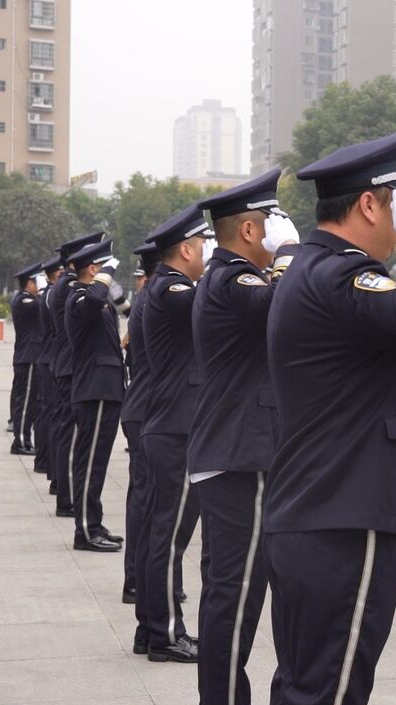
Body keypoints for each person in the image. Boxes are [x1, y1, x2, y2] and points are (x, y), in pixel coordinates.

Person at [265, 130, 396, 705]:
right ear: (370, 204)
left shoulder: (310, 269)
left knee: (305, 690)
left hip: (318, 513)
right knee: (330, 695)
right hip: (344, 520)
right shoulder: (339, 275)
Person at [188, 169, 300, 705]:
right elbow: (288, 302)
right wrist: (292, 252)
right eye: (271, 223)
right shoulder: (235, 280)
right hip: (242, 459)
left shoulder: (223, 277)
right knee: (234, 602)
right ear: (252, 231)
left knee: (227, 595)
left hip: (233, 453)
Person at [138, 204, 212, 664]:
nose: (206, 253)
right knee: (170, 539)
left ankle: (150, 629)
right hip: (178, 429)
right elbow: (215, 306)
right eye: (203, 245)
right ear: (185, 250)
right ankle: (165, 634)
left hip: (169, 424)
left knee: (160, 533)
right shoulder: (173, 288)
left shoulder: (162, 287)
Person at [63, 237, 127, 553]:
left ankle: (94, 523)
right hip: (95, 389)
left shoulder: (96, 299)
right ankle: (86, 531)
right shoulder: (79, 297)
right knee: (89, 463)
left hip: (106, 387)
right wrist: (106, 274)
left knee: (97, 462)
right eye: (103, 267)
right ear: (93, 269)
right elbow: (93, 301)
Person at [49, 234, 101, 518]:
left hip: (70, 364)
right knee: (71, 437)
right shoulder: (70, 284)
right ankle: (66, 498)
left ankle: (64, 489)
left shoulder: (66, 283)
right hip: (71, 366)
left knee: (70, 434)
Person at [121, 241, 160, 605]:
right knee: (147, 501)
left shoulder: (146, 298)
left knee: (144, 499)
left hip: (142, 406)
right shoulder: (157, 299)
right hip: (148, 408)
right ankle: (137, 578)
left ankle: (138, 577)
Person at [9, 262, 45, 456]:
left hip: (31, 356)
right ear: (29, 283)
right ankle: (20, 442)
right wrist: (45, 289)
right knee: (25, 403)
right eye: (37, 281)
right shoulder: (23, 300)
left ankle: (25, 440)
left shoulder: (28, 299)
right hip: (28, 357)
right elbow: (40, 305)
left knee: (31, 403)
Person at [33, 256, 62, 479]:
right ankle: (46, 461)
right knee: (51, 414)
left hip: (47, 357)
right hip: (51, 358)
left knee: (47, 412)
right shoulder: (53, 294)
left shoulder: (49, 293)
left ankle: (44, 460)